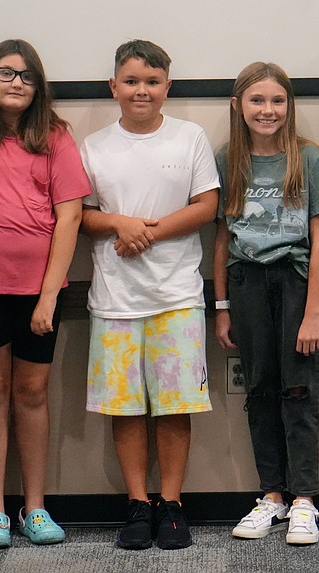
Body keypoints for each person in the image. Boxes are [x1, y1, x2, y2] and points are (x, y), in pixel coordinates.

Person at [0, 39, 91, 549]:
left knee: (30, 393)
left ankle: (35, 509)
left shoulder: (55, 137)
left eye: (27, 77)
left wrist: (49, 296)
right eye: (6, 73)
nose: (16, 83)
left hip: (39, 293)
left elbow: (69, 216)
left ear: (38, 87)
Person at [79, 40, 219, 550]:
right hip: (115, 298)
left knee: (174, 406)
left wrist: (148, 233)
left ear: (168, 87)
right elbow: (82, 217)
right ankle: (138, 503)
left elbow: (206, 205)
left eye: (153, 82)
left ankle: (172, 503)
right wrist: (119, 222)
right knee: (127, 408)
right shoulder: (93, 146)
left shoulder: (190, 137)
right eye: (132, 81)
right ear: (113, 86)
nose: (143, 90)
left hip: (177, 295)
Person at [212, 62, 319, 545]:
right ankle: (271, 497)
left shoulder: (310, 160)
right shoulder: (228, 160)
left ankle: (305, 499)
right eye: (257, 101)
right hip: (246, 285)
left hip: (296, 282)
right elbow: (223, 236)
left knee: (299, 390)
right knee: (260, 390)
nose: (268, 111)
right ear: (237, 105)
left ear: (289, 105)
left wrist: (312, 312)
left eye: (277, 101)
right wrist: (222, 305)